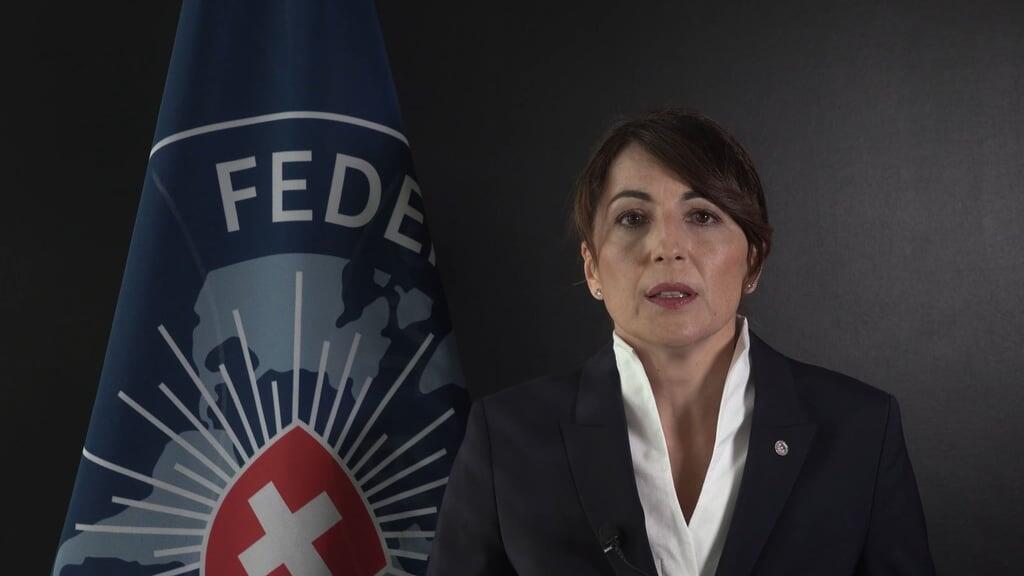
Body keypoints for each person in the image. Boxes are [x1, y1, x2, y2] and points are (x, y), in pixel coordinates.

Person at [425, 108, 936, 575]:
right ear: (592, 266)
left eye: (702, 216)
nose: (667, 247)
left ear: (753, 260)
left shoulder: (860, 430)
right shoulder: (506, 438)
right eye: (632, 218)